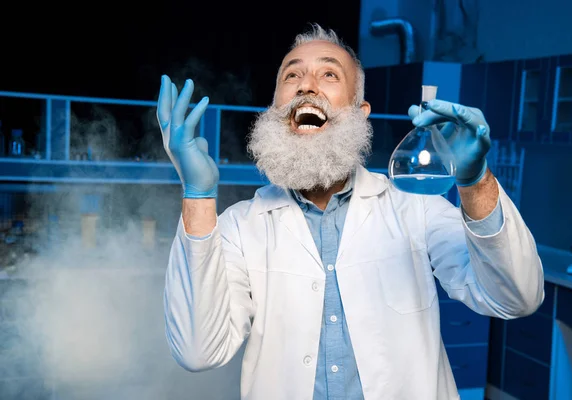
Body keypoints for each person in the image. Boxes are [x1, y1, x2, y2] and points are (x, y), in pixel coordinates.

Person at [159, 24, 544, 400]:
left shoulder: (416, 208)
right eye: (292, 75)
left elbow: (516, 297)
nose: (306, 85)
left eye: (329, 74)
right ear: (274, 109)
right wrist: (197, 196)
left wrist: (476, 181)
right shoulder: (241, 227)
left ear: (360, 113)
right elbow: (199, 351)